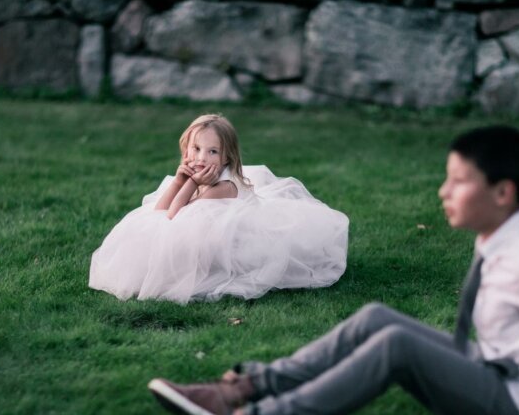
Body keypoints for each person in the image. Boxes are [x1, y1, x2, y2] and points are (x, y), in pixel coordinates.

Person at [148, 125, 519, 415]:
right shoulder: (503, 237)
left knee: (397, 346)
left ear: (504, 192)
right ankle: (248, 388)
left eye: (459, 182)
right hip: (498, 368)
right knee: (376, 318)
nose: (443, 191)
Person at [89, 114, 348, 304]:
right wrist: (179, 179)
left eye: (213, 152)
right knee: (144, 233)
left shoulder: (223, 186)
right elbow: (159, 210)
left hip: (239, 242)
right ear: (186, 148)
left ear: (227, 157)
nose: (202, 158)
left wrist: (188, 182)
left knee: (167, 243)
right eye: (197, 149)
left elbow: (173, 218)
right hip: (209, 227)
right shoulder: (198, 173)